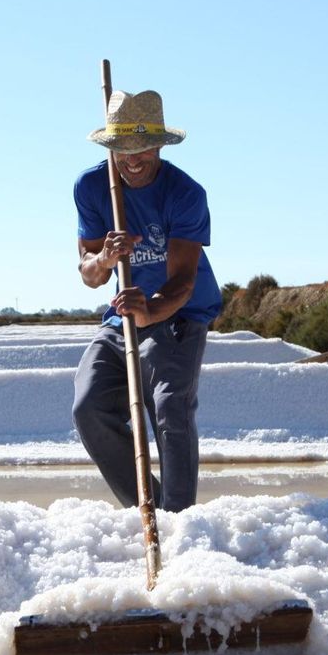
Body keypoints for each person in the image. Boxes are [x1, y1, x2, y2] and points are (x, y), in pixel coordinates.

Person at [72, 88, 221, 512]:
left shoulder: (185, 193)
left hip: (178, 314)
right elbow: (88, 274)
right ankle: (149, 509)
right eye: (123, 149)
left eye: (143, 148)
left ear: (160, 144)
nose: (132, 159)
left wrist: (150, 310)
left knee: (169, 408)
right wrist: (105, 258)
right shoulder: (92, 186)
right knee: (89, 406)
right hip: (120, 316)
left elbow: (182, 282)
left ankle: (179, 518)